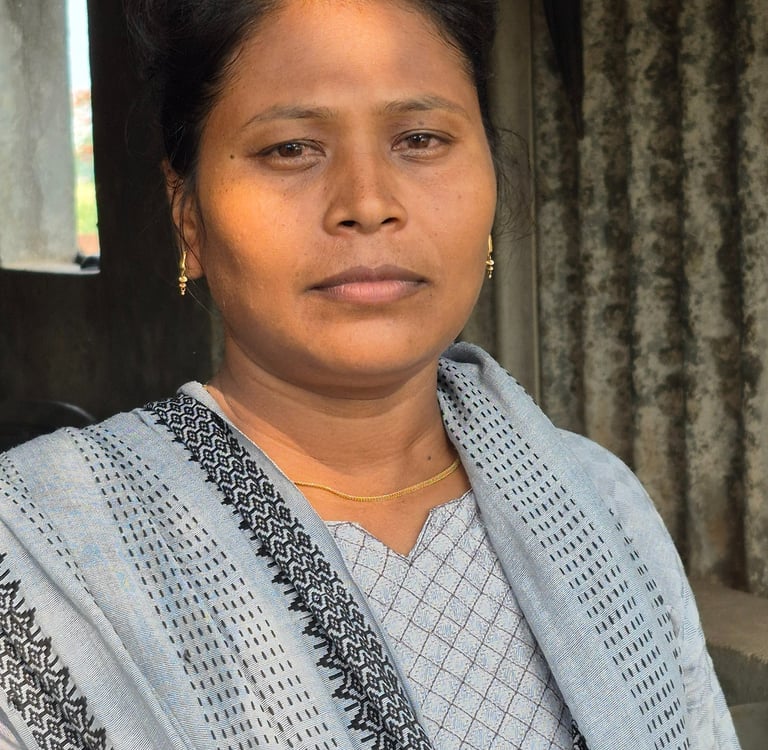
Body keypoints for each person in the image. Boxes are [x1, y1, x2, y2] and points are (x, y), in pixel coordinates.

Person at [0, 1, 741, 748]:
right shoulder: (37, 559)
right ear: (188, 213)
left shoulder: (602, 505)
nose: (368, 203)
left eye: (420, 139)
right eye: (291, 148)